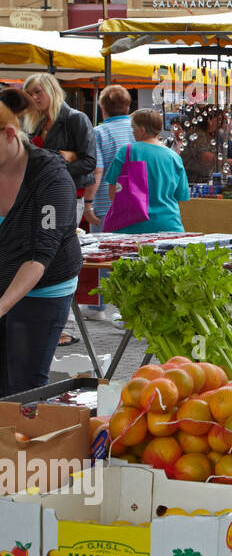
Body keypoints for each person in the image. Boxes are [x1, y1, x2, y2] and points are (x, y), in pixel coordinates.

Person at [0, 98, 83, 397]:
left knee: (22, 387)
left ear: (10, 135)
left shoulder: (51, 177)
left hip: (43, 287)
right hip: (5, 276)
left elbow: (39, 255)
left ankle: (27, 442)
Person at [22, 74, 95, 224]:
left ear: (52, 91)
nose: (33, 98)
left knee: (57, 243)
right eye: (29, 94)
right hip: (41, 195)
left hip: (66, 195)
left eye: (38, 92)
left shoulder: (75, 118)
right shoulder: (36, 123)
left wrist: (53, 170)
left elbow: (89, 162)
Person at [102, 109, 190, 234]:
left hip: (131, 227)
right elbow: (180, 196)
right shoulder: (174, 157)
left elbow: (112, 193)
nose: (132, 133)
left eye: (133, 128)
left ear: (142, 130)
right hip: (169, 226)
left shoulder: (126, 152)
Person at [82, 85, 137, 233]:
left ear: (103, 108)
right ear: (127, 106)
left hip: (106, 207)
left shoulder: (98, 133)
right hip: (137, 204)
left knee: (106, 253)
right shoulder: (138, 130)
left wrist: (88, 204)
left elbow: (97, 170)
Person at [181, 110, 232, 184]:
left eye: (221, 120)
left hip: (207, 180)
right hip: (194, 181)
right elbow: (204, 156)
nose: (219, 123)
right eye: (218, 120)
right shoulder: (197, 134)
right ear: (208, 120)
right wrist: (225, 161)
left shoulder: (214, 135)